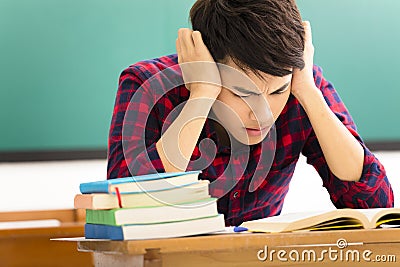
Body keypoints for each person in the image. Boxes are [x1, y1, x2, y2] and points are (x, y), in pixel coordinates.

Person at [107, 0, 393, 226]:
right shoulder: (147, 84)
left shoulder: (301, 85)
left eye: (277, 92)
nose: (263, 114)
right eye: (243, 93)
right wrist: (202, 94)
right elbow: (127, 204)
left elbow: (374, 204)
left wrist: (308, 94)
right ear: (207, 61)